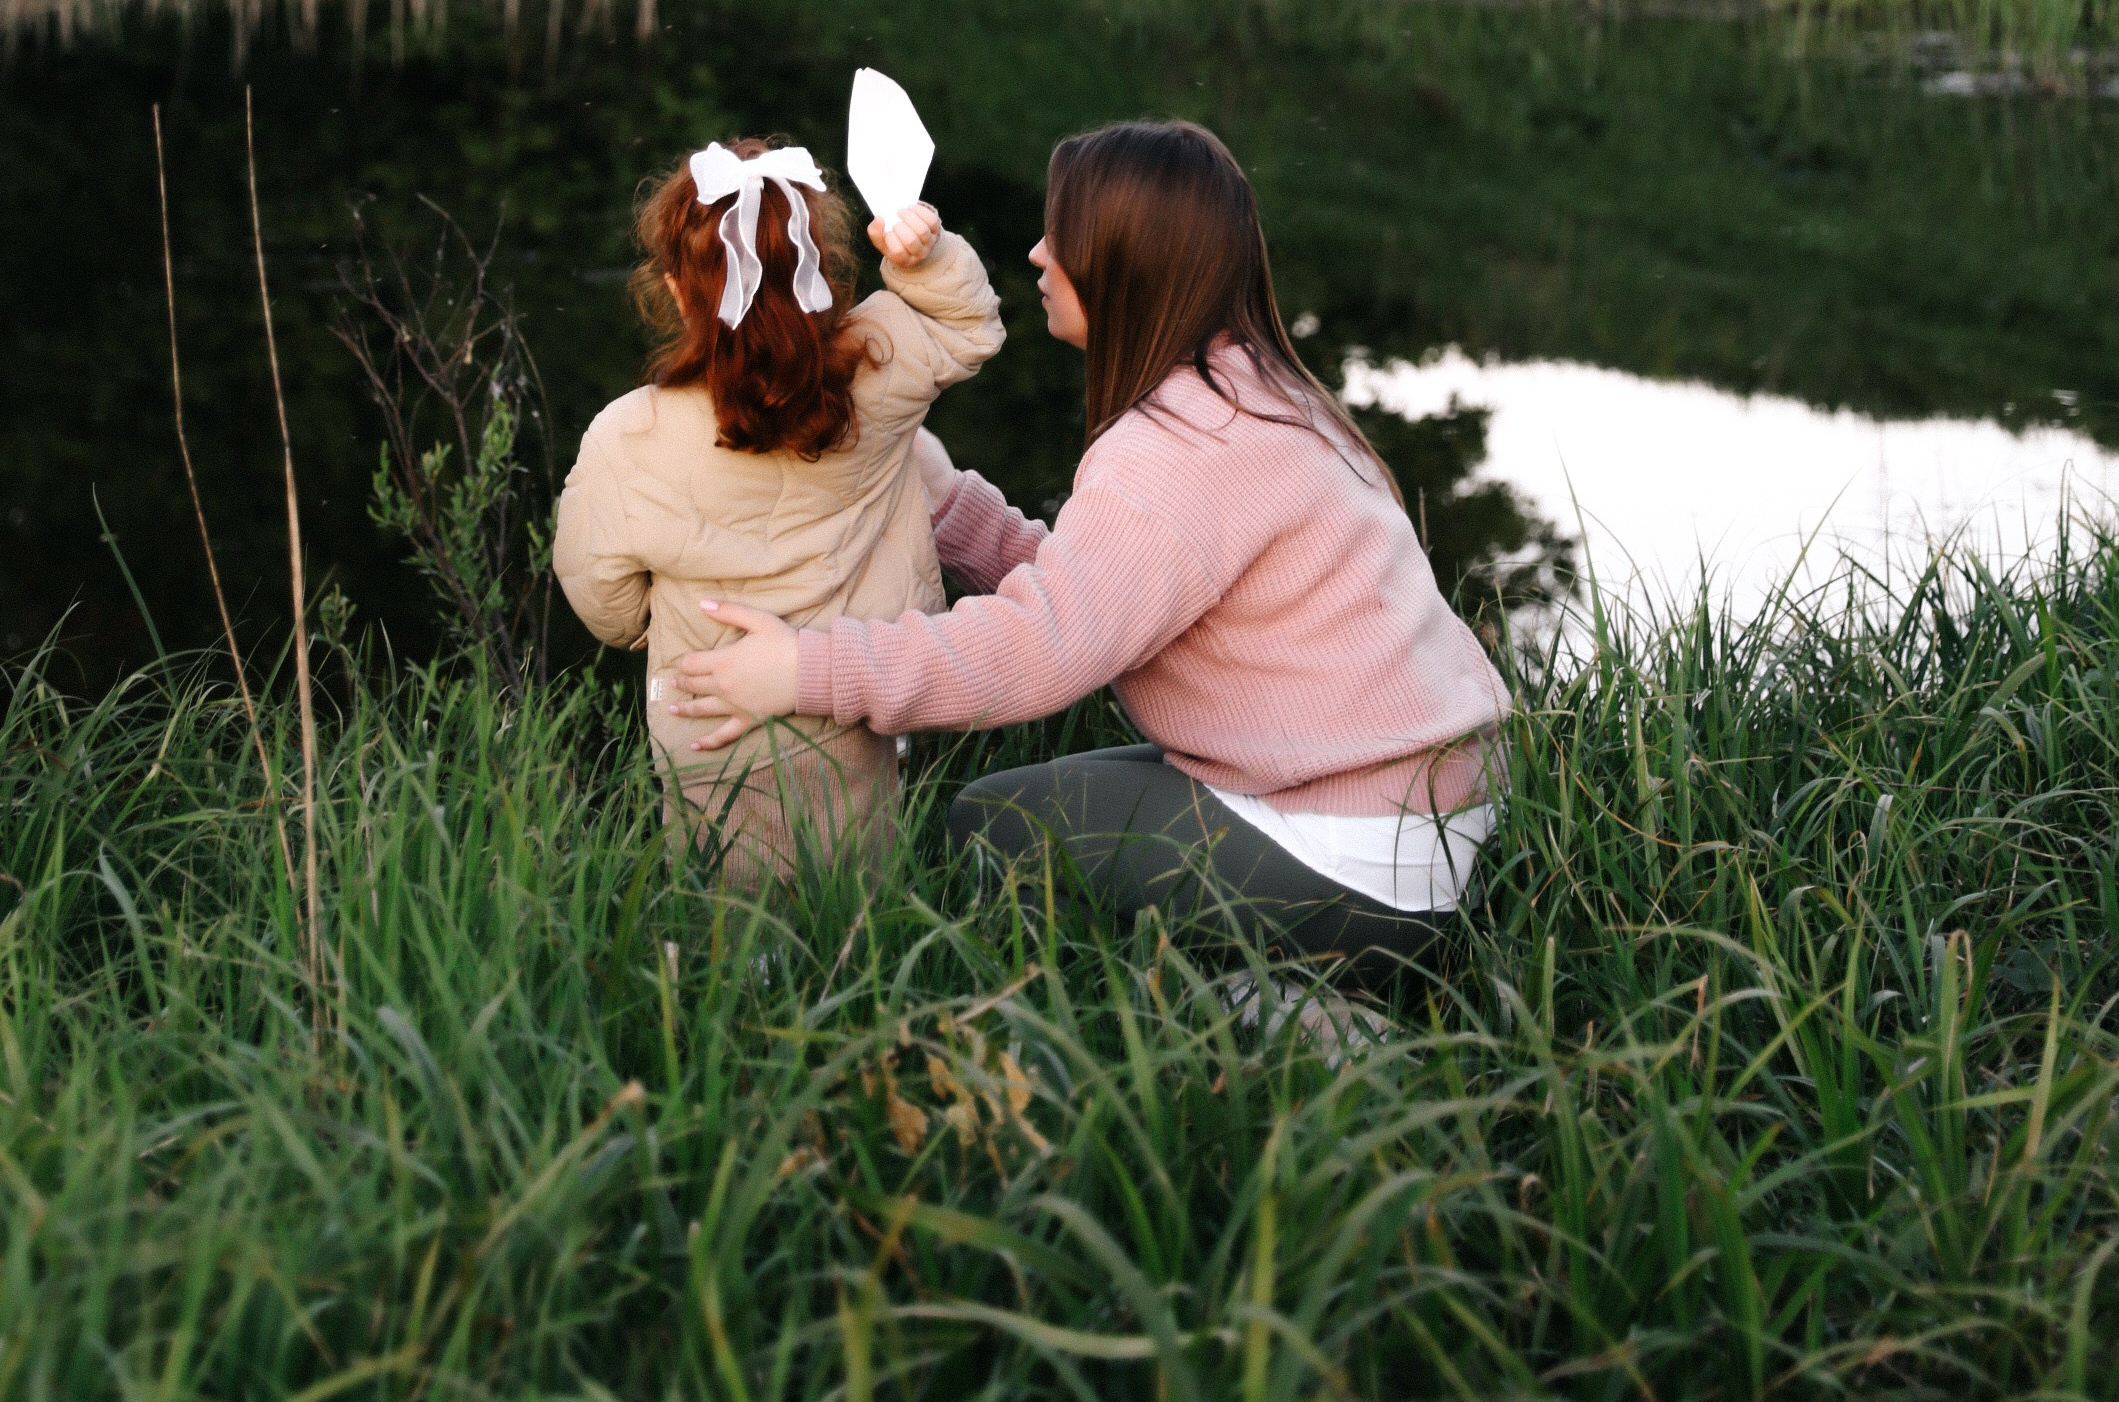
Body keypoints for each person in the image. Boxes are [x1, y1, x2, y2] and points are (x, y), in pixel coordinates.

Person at [661, 119, 1512, 978]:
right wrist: (948, 503)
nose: (1037, 254)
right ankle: (1238, 983)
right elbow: (1105, 594)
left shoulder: (1175, 446)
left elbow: (1039, 648)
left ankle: (1237, 1008)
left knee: (997, 826)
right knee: (1056, 806)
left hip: (1363, 864)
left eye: (1059, 236)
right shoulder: (1252, 392)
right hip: (1423, 821)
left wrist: (807, 671)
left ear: (1122, 261)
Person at [553, 133, 1003, 890]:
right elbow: (969, 327)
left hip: (709, 721)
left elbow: (602, 599)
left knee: (719, 912)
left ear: (676, 290)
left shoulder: (626, 437)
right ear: (820, 269)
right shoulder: (882, 367)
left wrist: (656, 624)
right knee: (859, 898)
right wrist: (921, 258)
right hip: (851, 706)